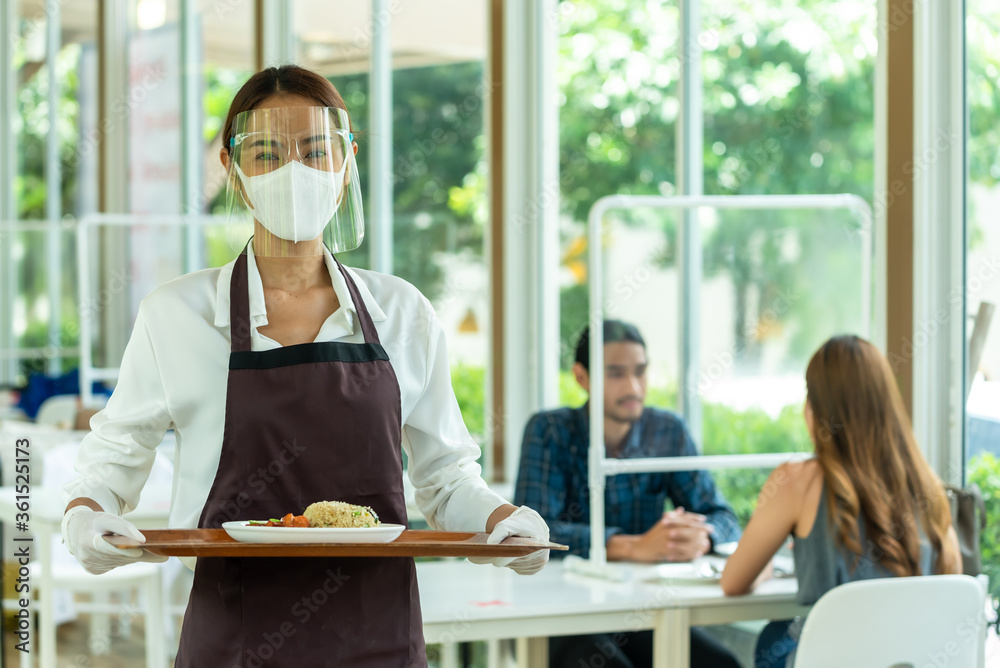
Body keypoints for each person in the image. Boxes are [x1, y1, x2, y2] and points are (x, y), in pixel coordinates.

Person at [61, 65, 550, 667]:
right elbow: (111, 466)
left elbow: (446, 477)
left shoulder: (402, 312)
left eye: (316, 152)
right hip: (236, 639)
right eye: (266, 153)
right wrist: (85, 519)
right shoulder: (175, 315)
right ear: (235, 172)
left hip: (380, 639)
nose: (294, 172)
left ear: (344, 169)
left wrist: (506, 522)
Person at [720, 334, 962, 668]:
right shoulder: (929, 486)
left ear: (815, 408)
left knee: (773, 640)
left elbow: (732, 582)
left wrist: (768, 566)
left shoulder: (797, 481)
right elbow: (951, 588)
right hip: (913, 661)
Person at [514, 320, 743, 668]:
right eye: (616, 374)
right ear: (581, 377)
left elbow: (723, 516)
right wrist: (633, 546)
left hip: (639, 611)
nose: (633, 387)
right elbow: (534, 536)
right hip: (559, 612)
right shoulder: (549, 431)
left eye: (640, 372)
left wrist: (700, 538)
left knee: (722, 664)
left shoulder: (667, 431)